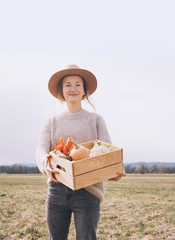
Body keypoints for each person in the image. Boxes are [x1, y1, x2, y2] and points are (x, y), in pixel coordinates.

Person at [36, 64, 126, 240]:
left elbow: (107, 151)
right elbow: (40, 149)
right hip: (57, 190)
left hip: (88, 190)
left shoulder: (95, 120)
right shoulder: (51, 121)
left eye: (78, 84)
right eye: (68, 85)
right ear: (62, 91)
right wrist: (47, 165)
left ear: (84, 91)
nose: (73, 88)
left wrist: (113, 171)